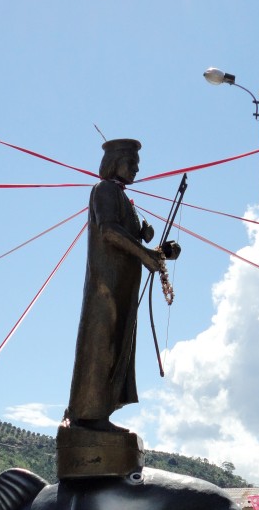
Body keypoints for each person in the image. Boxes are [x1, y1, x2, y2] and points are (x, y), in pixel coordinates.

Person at [65, 138, 180, 431]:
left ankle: (100, 412)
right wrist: (145, 254)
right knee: (101, 345)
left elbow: (129, 240)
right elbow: (108, 231)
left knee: (117, 348)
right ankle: (88, 416)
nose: (138, 169)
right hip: (106, 288)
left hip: (121, 288)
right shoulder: (103, 190)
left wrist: (159, 251)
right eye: (133, 163)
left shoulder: (123, 198)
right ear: (116, 162)